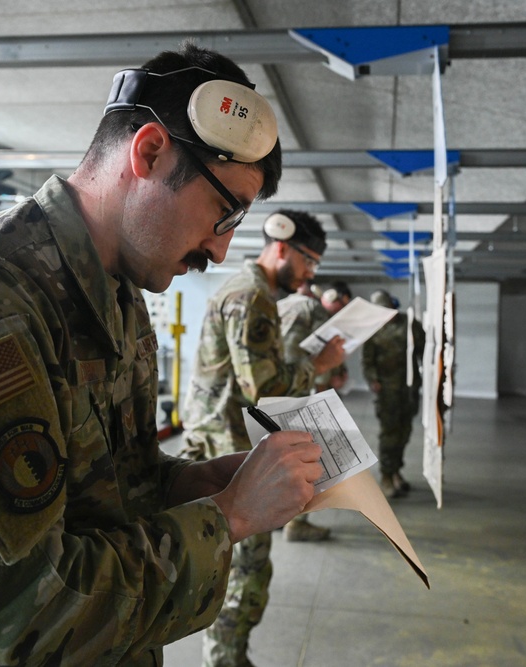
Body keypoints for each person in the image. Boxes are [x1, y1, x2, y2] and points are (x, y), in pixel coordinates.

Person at [0, 43, 328, 666]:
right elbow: (11, 622)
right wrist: (227, 516)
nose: (220, 250)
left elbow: (99, 490)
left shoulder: (115, 294)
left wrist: (189, 485)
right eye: (225, 211)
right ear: (149, 152)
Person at [180, 210, 346, 666]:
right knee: (245, 571)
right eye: (308, 260)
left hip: (225, 438)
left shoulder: (254, 293)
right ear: (281, 247)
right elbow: (263, 386)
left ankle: (229, 655)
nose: (311, 273)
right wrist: (318, 364)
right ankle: (224, 659)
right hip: (226, 444)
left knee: (241, 566)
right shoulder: (252, 297)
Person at [275, 279, 337, 542]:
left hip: (274, 388)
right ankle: (296, 523)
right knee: (304, 459)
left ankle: (276, 516)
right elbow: (325, 353)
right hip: (300, 388)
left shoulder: (278, 305)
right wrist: (324, 389)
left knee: (274, 456)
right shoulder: (314, 309)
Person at [362, 289, 425, 498]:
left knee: (404, 432)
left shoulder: (409, 324)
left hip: (409, 388)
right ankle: (386, 476)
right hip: (387, 391)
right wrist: (373, 380)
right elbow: (367, 361)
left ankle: (397, 470)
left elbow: (424, 350)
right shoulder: (373, 329)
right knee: (389, 433)